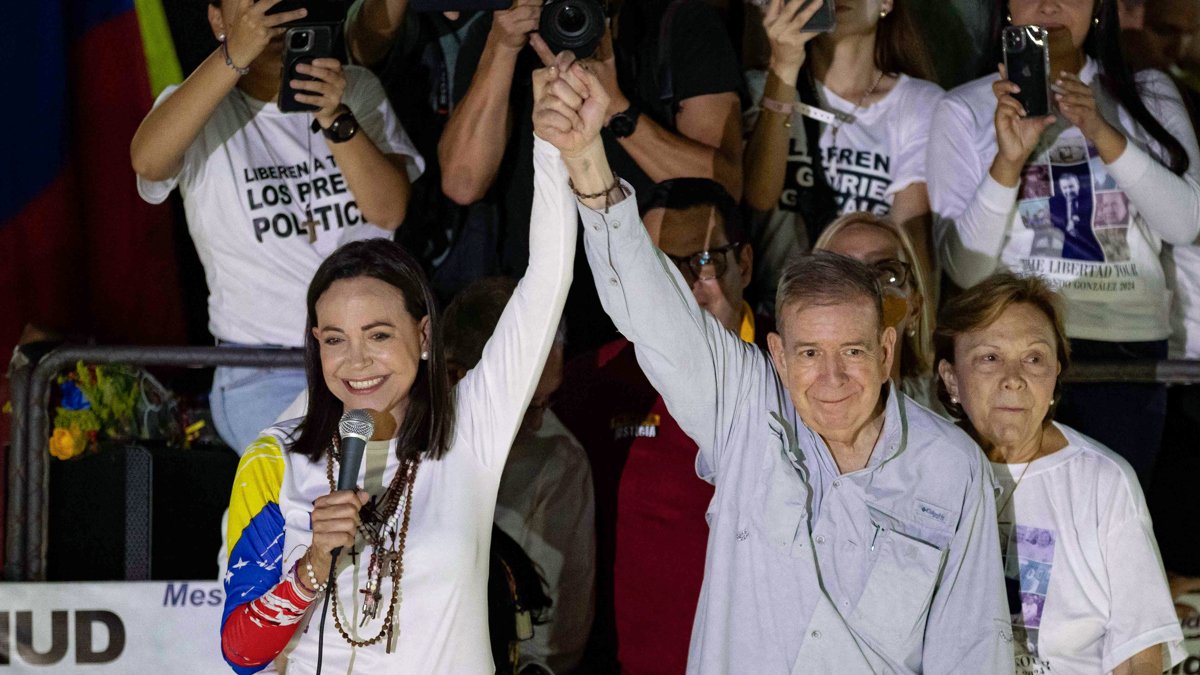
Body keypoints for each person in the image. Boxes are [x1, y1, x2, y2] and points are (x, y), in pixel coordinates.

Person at [538, 49, 1012, 671]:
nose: (834, 377)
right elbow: (651, 308)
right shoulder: (744, 413)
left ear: (888, 348)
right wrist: (585, 158)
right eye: (811, 353)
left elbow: (974, 651)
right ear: (779, 356)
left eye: (853, 351)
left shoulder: (952, 468)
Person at [217, 58, 576, 671]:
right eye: (334, 339)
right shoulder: (276, 460)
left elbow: (547, 280)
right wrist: (309, 571)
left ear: (424, 333)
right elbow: (240, 652)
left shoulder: (470, 430)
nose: (357, 361)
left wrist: (552, 144)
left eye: (379, 334)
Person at [131, 0, 423, 453]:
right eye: (250, 5)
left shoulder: (354, 88)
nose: (268, 19)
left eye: (280, 5)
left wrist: (333, 115)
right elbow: (147, 162)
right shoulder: (198, 109)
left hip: (368, 357)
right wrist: (233, 57)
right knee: (319, 487)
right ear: (216, 19)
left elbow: (388, 211)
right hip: (262, 368)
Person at [927, 0, 1200, 485]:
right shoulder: (962, 108)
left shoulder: (1148, 92)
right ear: (1005, 8)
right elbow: (964, 269)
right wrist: (1008, 161)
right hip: (1011, 347)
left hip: (1125, 349)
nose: (1049, 6)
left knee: (1108, 520)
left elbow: (1184, 223)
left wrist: (1100, 129)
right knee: (1012, 523)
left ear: (1099, 7)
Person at [555, 177, 766, 674]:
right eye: (660, 267)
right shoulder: (590, 382)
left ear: (747, 265)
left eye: (705, 260)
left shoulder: (795, 374)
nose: (684, 285)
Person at [934, 271, 1185, 673]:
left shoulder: (1103, 482)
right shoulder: (921, 470)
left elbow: (1139, 657)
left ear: (1055, 376)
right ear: (951, 379)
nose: (1013, 379)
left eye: (1034, 358)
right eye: (990, 357)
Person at [742, 0, 942, 310]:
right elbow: (758, 196)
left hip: (867, 314)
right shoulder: (762, 89)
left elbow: (911, 241)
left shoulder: (917, 102)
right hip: (776, 309)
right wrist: (784, 66)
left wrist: (922, 335)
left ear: (887, 3)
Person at [441, 276, 595, 674]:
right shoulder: (393, 431)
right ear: (457, 376)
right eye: (527, 403)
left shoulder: (558, 462)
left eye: (548, 400)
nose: (539, 421)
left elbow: (551, 640)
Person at [812, 211, 938, 412]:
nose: (865, 288)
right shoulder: (777, 406)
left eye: (886, 272)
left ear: (914, 309)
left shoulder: (946, 409)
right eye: (842, 272)